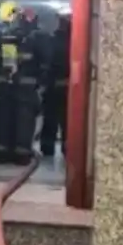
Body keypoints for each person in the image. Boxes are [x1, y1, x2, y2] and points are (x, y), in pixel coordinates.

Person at [0, 5, 50, 165]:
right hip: (26, 89)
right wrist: (41, 81)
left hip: (3, 88)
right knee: (24, 123)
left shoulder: (2, 35)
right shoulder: (37, 37)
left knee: (2, 121)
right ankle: (21, 156)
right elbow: (46, 63)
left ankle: (1, 154)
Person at [40, 13, 71, 157]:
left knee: (50, 120)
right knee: (67, 121)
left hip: (52, 87)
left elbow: (46, 63)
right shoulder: (76, 42)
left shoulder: (50, 41)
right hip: (68, 88)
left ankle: (47, 149)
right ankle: (67, 148)